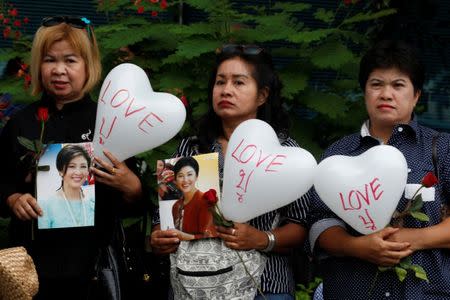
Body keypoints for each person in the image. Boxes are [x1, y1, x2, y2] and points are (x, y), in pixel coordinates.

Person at [0, 16, 143, 299]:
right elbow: (1, 179)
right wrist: (13, 198)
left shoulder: (109, 122)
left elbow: (135, 205)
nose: (59, 70)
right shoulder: (21, 123)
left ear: (89, 65)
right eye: (50, 60)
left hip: (93, 269)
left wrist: (133, 187)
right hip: (29, 271)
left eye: (71, 60)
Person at [151, 44, 309, 299]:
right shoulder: (191, 147)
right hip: (195, 285)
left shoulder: (285, 151)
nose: (226, 90)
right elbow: (167, 216)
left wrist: (261, 238)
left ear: (262, 95)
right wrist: (160, 236)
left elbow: (300, 225)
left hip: (264, 286)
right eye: (220, 82)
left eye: (239, 83)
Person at [308, 40, 450, 299]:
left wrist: (410, 239)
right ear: (364, 92)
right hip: (352, 290)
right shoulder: (338, 153)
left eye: (398, 85)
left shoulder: (442, 148)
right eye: (376, 84)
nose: (386, 94)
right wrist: (357, 246)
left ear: (416, 95)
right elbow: (320, 223)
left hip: (425, 292)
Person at [38, 144, 95, 229]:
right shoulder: (46, 204)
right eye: (71, 166)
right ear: (60, 170)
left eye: (83, 166)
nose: (78, 172)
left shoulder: (92, 198)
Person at [170, 156, 217, 239]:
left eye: (189, 174)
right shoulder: (176, 206)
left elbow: (209, 238)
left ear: (196, 176)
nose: (185, 180)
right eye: (180, 176)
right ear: (176, 180)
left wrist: (181, 235)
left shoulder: (205, 201)